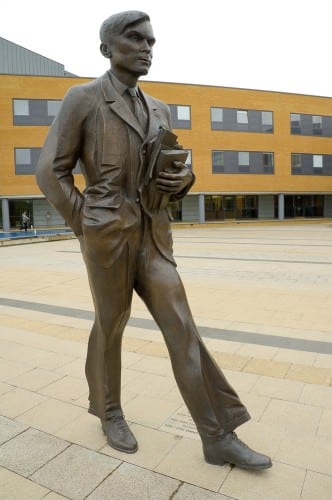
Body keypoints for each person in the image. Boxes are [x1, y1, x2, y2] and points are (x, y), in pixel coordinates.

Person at [36, 10, 271, 470]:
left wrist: (183, 177)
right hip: (108, 234)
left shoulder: (160, 108)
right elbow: (50, 170)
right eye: (136, 39)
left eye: (151, 41)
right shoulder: (83, 98)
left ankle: (217, 435)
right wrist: (87, 221)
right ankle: (109, 411)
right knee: (112, 323)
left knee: (182, 327)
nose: (147, 48)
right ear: (107, 49)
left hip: (154, 235)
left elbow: (172, 171)